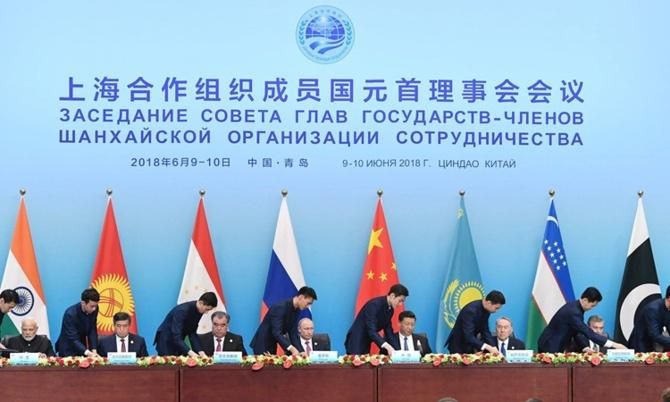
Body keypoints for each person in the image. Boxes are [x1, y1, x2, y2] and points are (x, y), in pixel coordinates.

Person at [537, 287, 626, 352]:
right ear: (585, 300)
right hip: (549, 345)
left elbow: (576, 331)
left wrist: (584, 347)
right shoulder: (574, 312)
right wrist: (614, 345)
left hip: (554, 344)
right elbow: (588, 333)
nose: (592, 308)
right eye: (592, 305)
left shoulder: (576, 308)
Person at [251, 286, 317, 356]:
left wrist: (301, 351)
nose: (308, 306)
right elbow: (276, 332)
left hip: (273, 342)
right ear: (301, 297)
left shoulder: (297, 310)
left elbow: (293, 333)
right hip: (263, 343)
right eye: (308, 303)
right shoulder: (280, 307)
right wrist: (291, 348)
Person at [345, 283, 409, 355]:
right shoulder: (374, 305)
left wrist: (399, 351)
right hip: (356, 340)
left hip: (366, 341)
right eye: (400, 300)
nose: (400, 304)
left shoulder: (390, 310)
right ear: (392, 296)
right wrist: (386, 345)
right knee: (358, 361)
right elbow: (371, 330)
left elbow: (388, 332)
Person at [154, 292, 217, 357]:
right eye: (207, 309)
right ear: (201, 302)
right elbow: (176, 335)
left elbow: (192, 332)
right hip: (166, 339)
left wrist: (201, 352)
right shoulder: (182, 310)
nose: (206, 312)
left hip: (178, 339)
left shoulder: (199, 311)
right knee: (168, 362)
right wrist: (190, 352)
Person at [55, 288, 100, 357]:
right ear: (83, 303)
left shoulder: (94, 310)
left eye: (95, 306)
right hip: (68, 349)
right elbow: (73, 339)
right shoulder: (70, 314)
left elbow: (92, 329)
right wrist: (88, 353)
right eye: (92, 306)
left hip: (82, 347)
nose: (94, 309)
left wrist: (94, 350)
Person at [628, 285, 670, 352]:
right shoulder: (653, 309)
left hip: (652, 344)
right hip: (640, 344)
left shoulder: (668, 308)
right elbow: (654, 334)